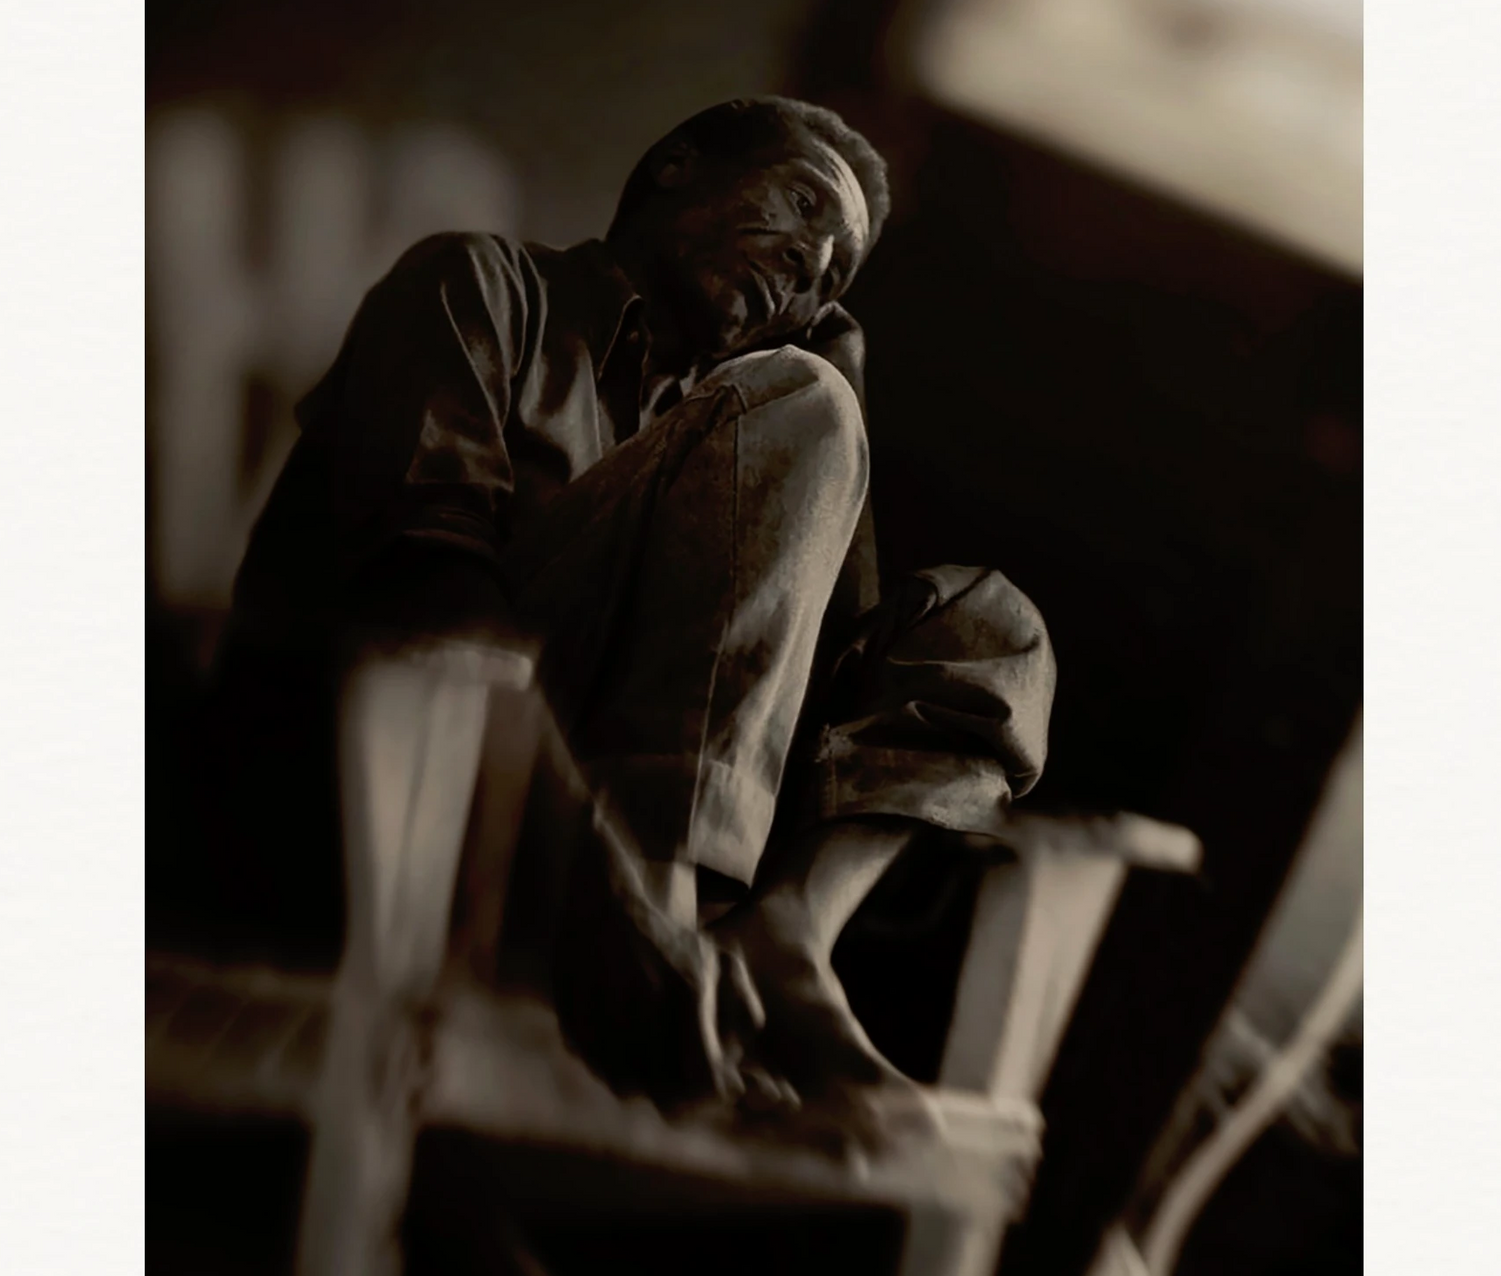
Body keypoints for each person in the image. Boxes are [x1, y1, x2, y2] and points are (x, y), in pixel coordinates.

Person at [204, 96, 1055, 1145]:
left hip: (592, 852)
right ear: (675, 167)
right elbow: (425, 598)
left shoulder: (751, 423)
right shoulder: (479, 286)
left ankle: (785, 934)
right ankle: (661, 897)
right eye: (799, 205)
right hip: (371, 795)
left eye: (831, 271)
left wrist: (841, 400)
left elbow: (816, 692)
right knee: (792, 410)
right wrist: (614, 895)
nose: (807, 260)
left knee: (991, 624)